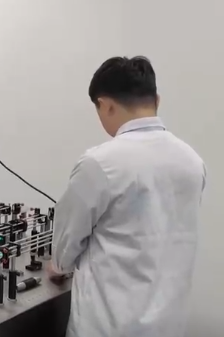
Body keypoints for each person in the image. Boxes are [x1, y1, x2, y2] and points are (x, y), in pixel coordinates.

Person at [49, 56, 206, 337]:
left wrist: (57, 266)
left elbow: (65, 245)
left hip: (108, 326)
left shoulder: (100, 163)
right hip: (168, 324)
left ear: (105, 104)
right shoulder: (192, 161)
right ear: (157, 100)